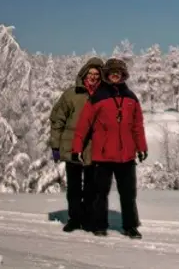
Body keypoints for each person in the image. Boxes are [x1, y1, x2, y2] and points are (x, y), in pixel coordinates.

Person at [71, 57, 148, 239]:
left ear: (123, 75)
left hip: (127, 156)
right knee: (100, 194)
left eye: (118, 72)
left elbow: (137, 125)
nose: (115, 75)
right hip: (103, 156)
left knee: (128, 195)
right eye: (112, 72)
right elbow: (83, 125)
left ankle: (130, 227)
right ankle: (99, 226)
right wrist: (77, 148)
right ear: (106, 75)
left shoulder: (131, 98)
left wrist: (141, 147)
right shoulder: (97, 97)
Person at [47, 56, 103, 233]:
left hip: (95, 150)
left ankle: (88, 219)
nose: (93, 77)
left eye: (97, 74)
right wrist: (55, 146)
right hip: (72, 147)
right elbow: (57, 119)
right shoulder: (72, 94)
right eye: (90, 73)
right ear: (84, 74)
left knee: (91, 188)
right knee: (74, 187)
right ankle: (74, 219)